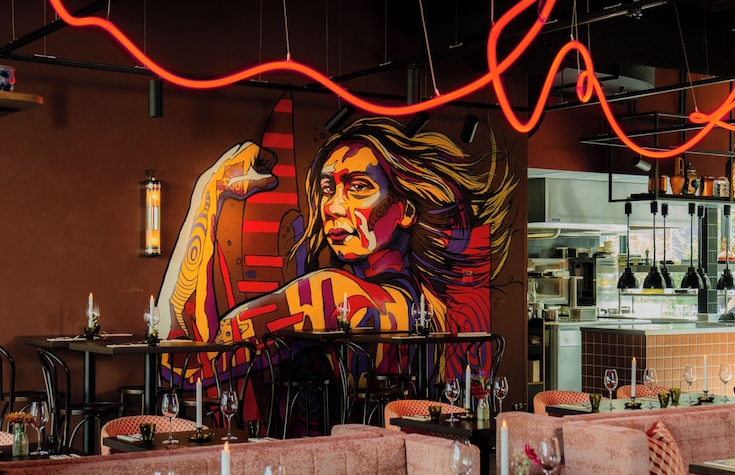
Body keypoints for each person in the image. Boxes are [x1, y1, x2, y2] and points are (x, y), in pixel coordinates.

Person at [157, 116, 516, 375]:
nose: (333, 207)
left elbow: (186, 366)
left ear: (406, 210)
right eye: (328, 188)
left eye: (358, 187)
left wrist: (210, 191)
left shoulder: (333, 295)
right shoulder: (430, 305)